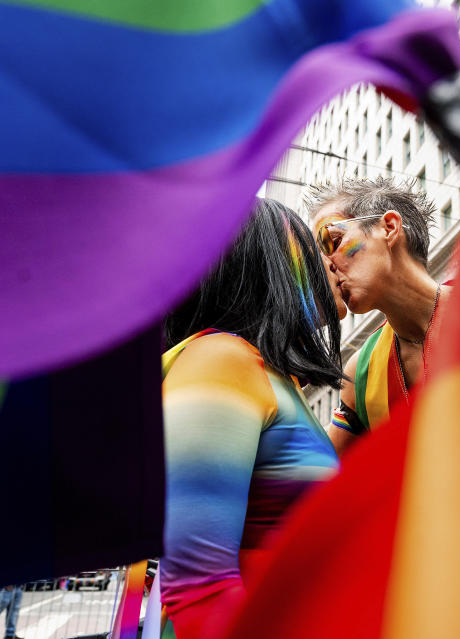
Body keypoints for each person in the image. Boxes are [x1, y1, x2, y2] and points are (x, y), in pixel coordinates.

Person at [159, 198, 346, 638]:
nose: (333, 260)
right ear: (272, 262)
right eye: (315, 244)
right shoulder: (220, 360)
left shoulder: (274, 377)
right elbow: (197, 590)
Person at [307, 177, 445, 455]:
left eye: (332, 241)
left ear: (389, 228)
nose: (326, 267)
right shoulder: (362, 371)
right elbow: (320, 477)